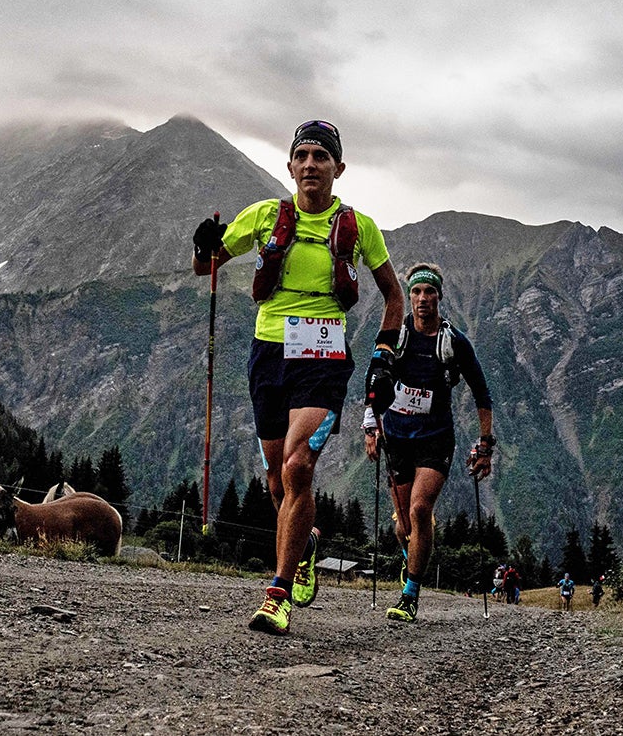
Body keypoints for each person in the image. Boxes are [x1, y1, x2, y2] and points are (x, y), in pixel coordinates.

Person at [192, 119, 404, 636]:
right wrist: (202, 246)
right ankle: (304, 541)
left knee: (297, 465)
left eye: (321, 157)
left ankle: (277, 593)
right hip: (269, 353)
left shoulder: (361, 227)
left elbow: (393, 296)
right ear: (289, 166)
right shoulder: (265, 216)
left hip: (325, 355)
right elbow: (208, 267)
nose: (311, 164)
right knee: (274, 474)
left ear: (339, 168)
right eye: (302, 156)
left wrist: (382, 351)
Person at [362, 261, 494, 623]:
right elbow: (374, 379)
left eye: (429, 292)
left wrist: (485, 445)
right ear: (409, 296)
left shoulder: (453, 342)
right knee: (403, 523)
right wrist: (370, 427)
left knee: (421, 510)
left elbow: (482, 393)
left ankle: (410, 594)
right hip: (397, 437)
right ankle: (412, 559)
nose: (422, 299)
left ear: (439, 296)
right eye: (416, 292)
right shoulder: (397, 335)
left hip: (436, 440)